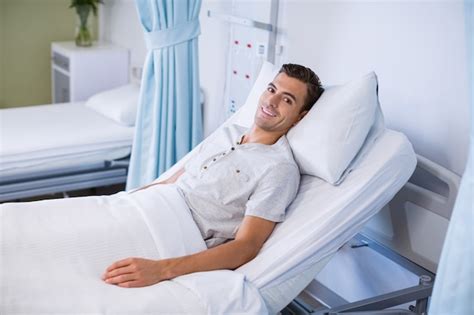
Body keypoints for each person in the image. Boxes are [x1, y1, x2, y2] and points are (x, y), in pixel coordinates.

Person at [102, 63, 324, 288]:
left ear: (299, 117)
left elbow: (246, 246)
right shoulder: (229, 132)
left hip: (170, 234)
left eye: (287, 100)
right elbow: (172, 181)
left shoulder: (278, 168)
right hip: (143, 208)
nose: (271, 101)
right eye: (271, 89)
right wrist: (123, 201)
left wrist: (161, 269)